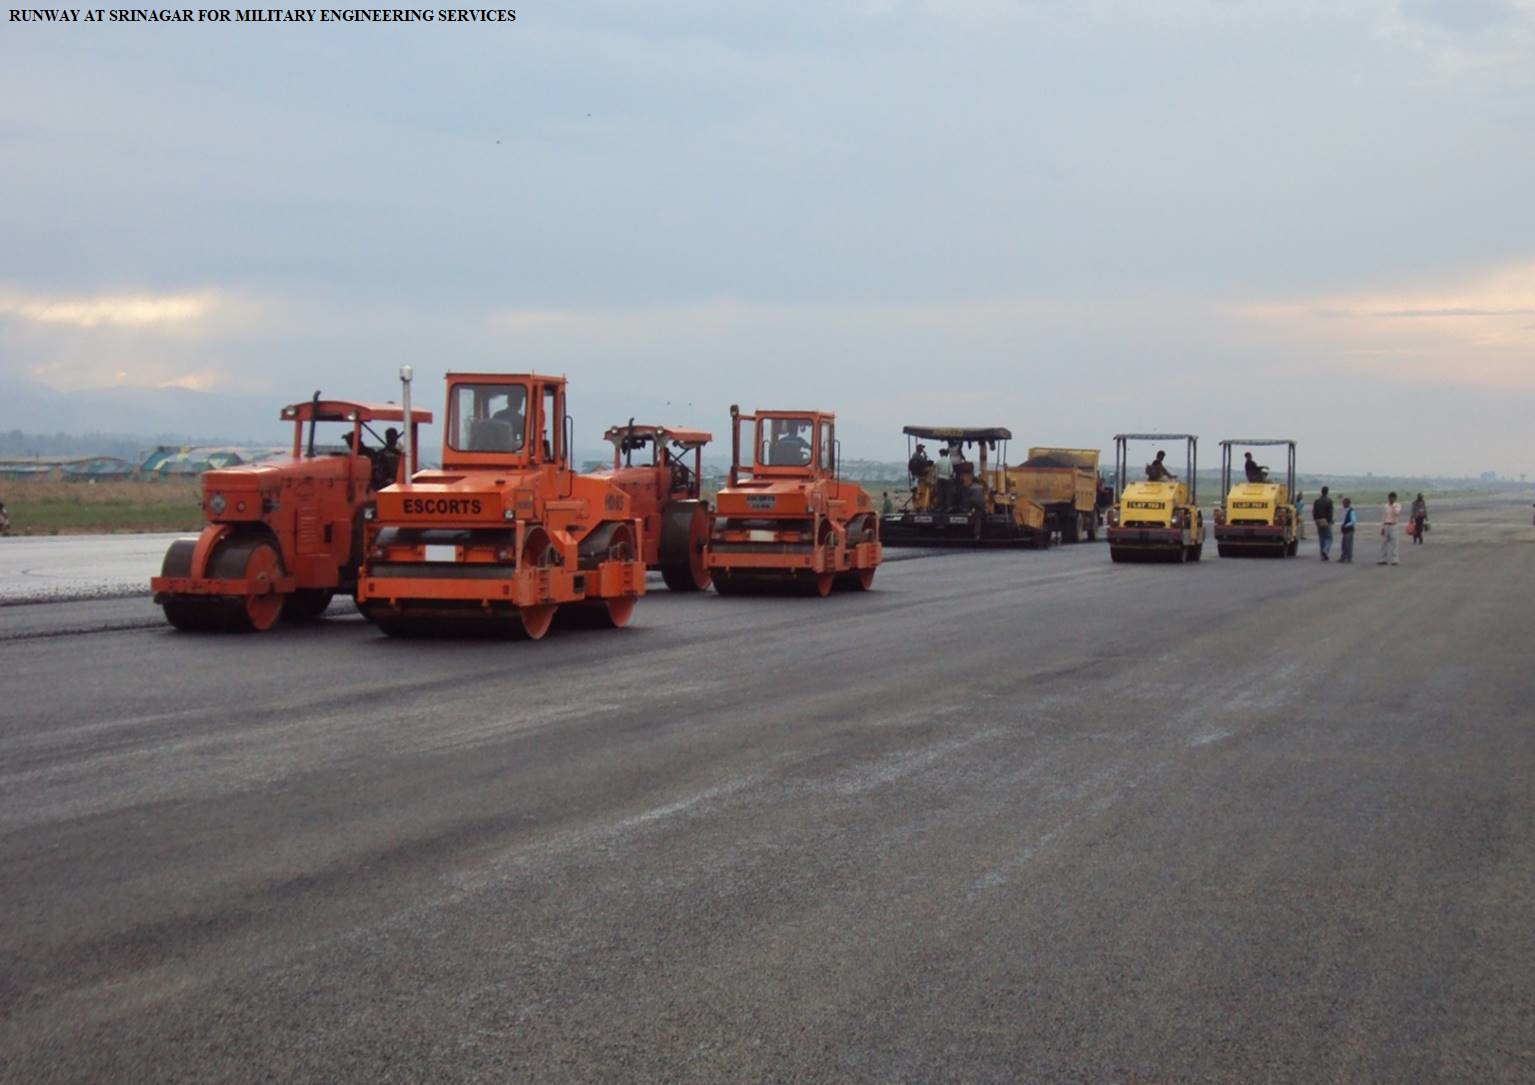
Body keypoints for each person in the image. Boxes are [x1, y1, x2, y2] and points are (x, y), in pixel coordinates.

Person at [1378, 491, 1402, 565]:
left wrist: (1393, 505)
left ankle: (1395, 560)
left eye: (1392, 498)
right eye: (1390, 498)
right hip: (1386, 525)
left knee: (1395, 544)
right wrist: (1382, 527)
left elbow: (1397, 513)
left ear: (1395, 498)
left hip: (1394, 526)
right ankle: (1383, 559)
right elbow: (1383, 517)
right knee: (1383, 543)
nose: (1391, 499)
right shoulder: (1385, 506)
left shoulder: (1398, 505)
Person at [1312, 485, 1334, 561]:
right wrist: (1330, 521)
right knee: (1329, 538)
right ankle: (1325, 550)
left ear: (1321, 492)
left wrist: (1315, 520)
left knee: (1321, 538)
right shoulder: (1329, 501)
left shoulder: (1317, 501)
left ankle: (1322, 555)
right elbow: (1330, 513)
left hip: (1318, 520)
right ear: (1327, 492)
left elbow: (1314, 512)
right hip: (1326, 521)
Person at [934, 445, 954, 509]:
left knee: (940, 493)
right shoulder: (949, 461)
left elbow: (936, 472)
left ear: (941, 454)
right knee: (948, 493)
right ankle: (948, 507)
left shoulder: (938, 461)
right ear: (946, 454)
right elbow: (951, 472)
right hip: (947, 479)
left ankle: (940, 507)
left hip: (940, 479)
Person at [1338, 497, 1357, 563]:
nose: (1343, 504)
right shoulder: (1345, 510)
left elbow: (1353, 521)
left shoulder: (1351, 511)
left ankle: (1349, 558)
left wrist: (1346, 525)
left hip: (1349, 529)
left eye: (1344, 503)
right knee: (1344, 544)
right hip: (1345, 529)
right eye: (1343, 503)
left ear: (1348, 503)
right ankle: (1343, 557)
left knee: (1348, 544)